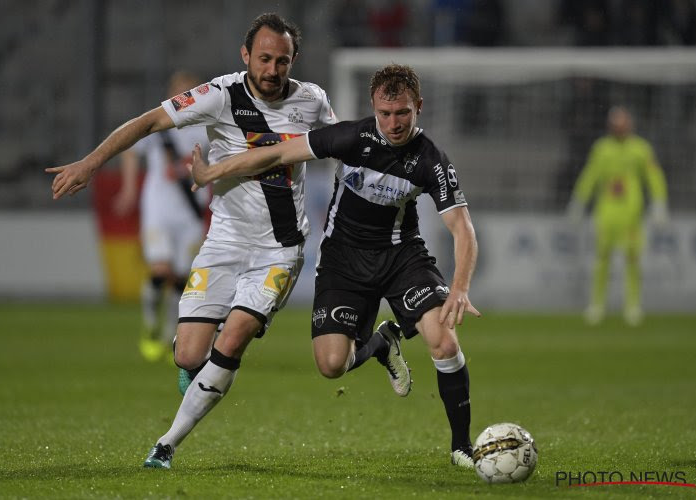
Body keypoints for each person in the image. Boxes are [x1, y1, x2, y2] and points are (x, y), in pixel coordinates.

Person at [47, 13, 407, 470]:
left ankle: (167, 444)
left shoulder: (312, 99)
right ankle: (203, 358)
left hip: (280, 249)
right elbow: (147, 122)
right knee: (189, 354)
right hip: (224, 241)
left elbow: (341, 148)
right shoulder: (218, 96)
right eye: (264, 59)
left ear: (293, 60)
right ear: (245, 56)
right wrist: (91, 163)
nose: (273, 70)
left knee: (234, 338)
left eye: (283, 60)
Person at [188, 64, 481, 467]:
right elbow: (275, 153)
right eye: (385, 113)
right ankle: (381, 343)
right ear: (373, 108)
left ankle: (462, 447)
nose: (393, 123)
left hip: (402, 257)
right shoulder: (349, 137)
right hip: (342, 261)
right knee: (331, 365)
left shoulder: (432, 161)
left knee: (444, 341)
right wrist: (212, 172)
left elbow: (463, 229)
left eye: (402, 114)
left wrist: (461, 287)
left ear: (419, 108)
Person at [112, 71, 210, 363]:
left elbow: (220, 161)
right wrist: (129, 189)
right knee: (160, 271)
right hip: (158, 209)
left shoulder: (205, 128)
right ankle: (151, 327)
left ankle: (172, 336)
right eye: (180, 92)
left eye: (191, 92)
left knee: (182, 278)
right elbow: (128, 149)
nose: (185, 98)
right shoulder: (158, 123)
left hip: (191, 211)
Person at [568, 106, 668, 326]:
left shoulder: (641, 149)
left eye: (622, 124)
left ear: (629, 125)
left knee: (632, 259)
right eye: (615, 125)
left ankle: (632, 305)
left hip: (632, 213)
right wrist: (579, 201)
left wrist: (659, 202)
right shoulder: (602, 149)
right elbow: (590, 176)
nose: (619, 128)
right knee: (602, 259)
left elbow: (654, 176)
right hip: (606, 213)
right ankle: (597, 305)